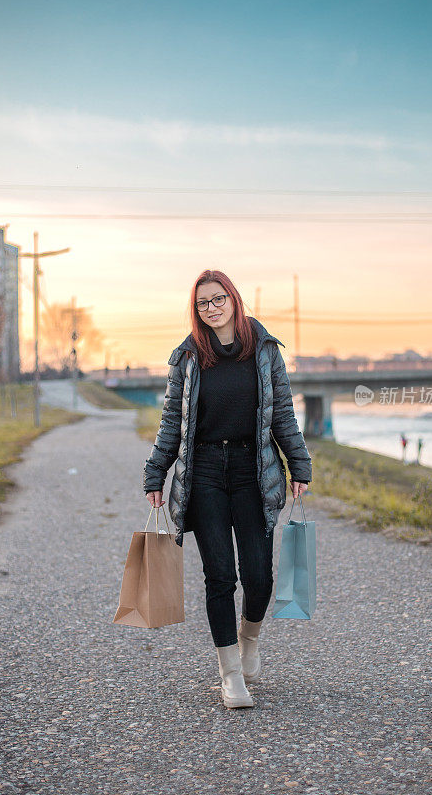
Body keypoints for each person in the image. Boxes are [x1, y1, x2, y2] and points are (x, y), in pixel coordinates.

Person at [143, 269, 312, 709]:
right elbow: (171, 423)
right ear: (196, 310)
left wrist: (299, 464)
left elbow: (284, 415)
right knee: (220, 576)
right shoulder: (188, 358)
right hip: (204, 474)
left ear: (234, 300)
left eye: (219, 299)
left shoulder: (265, 351)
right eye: (203, 303)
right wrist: (155, 472)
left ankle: (249, 640)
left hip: (252, 471)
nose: (212, 307)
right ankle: (230, 674)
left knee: (258, 577)